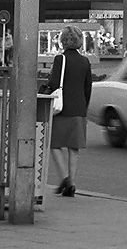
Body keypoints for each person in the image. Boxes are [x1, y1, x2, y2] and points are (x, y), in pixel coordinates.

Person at [46, 25, 92, 197]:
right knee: (74, 148)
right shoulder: (85, 61)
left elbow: (53, 82)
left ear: (63, 41)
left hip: (62, 108)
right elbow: (88, 87)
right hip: (79, 108)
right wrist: (84, 107)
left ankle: (65, 178)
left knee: (54, 144)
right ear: (79, 41)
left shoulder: (60, 60)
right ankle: (72, 183)